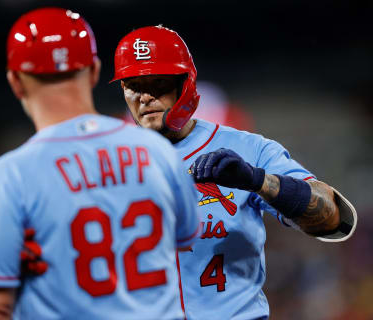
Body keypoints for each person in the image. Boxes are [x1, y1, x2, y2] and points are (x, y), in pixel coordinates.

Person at [0, 10, 200, 320]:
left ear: (16, 82)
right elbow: (183, 239)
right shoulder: (157, 151)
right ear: (94, 71)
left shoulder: (12, 175)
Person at [109, 25, 358, 319]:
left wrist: (258, 180)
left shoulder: (246, 147)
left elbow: (335, 218)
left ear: (185, 82)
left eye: (157, 82)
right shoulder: (107, 162)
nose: (145, 96)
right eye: (133, 85)